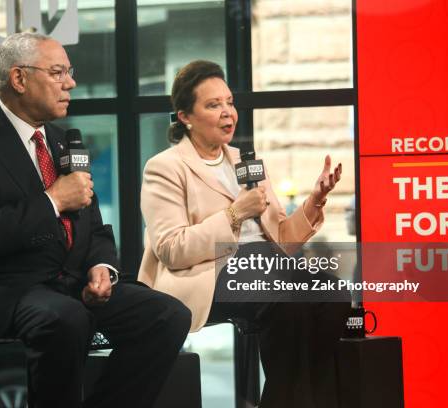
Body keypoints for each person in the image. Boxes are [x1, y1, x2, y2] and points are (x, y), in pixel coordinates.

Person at [0, 32, 191, 408]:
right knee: (66, 319)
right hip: (0, 287)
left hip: (68, 283)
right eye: (57, 72)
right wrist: (53, 200)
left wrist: (102, 267)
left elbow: (95, 228)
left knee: (167, 315)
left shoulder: (62, 141)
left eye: (69, 72)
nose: (70, 83)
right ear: (19, 79)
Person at [139, 60, 350, 408]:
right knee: (288, 299)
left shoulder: (246, 160)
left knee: (335, 295)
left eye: (229, 102)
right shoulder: (165, 166)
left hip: (268, 267)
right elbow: (171, 248)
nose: (227, 113)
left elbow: (283, 240)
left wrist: (316, 200)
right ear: (185, 117)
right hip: (211, 272)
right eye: (213, 105)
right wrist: (235, 213)